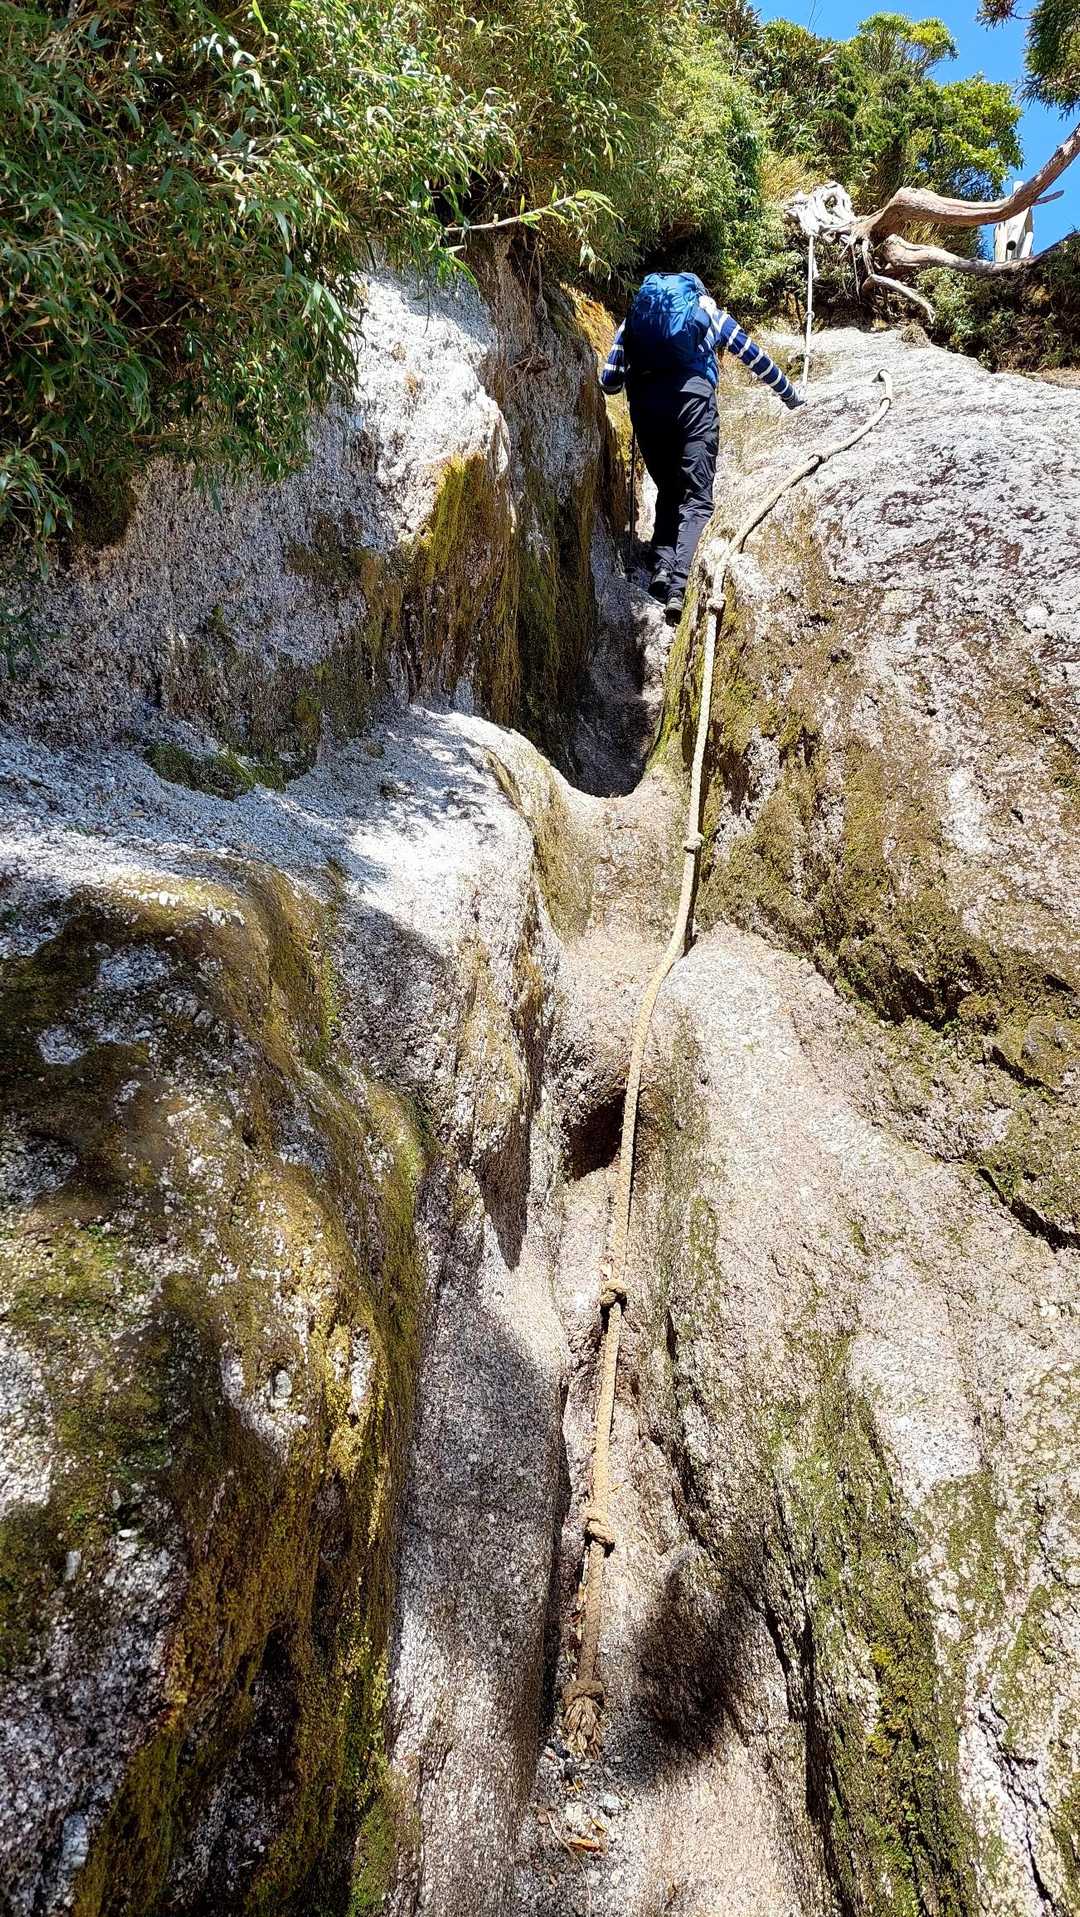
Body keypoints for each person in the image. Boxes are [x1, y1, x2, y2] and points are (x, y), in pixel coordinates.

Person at [599, 271, 803, 624]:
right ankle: (678, 588)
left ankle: (661, 569)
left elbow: (609, 381)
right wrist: (790, 395)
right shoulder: (708, 310)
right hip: (694, 401)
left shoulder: (636, 317)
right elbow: (752, 355)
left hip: (646, 407)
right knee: (696, 497)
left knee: (668, 487)